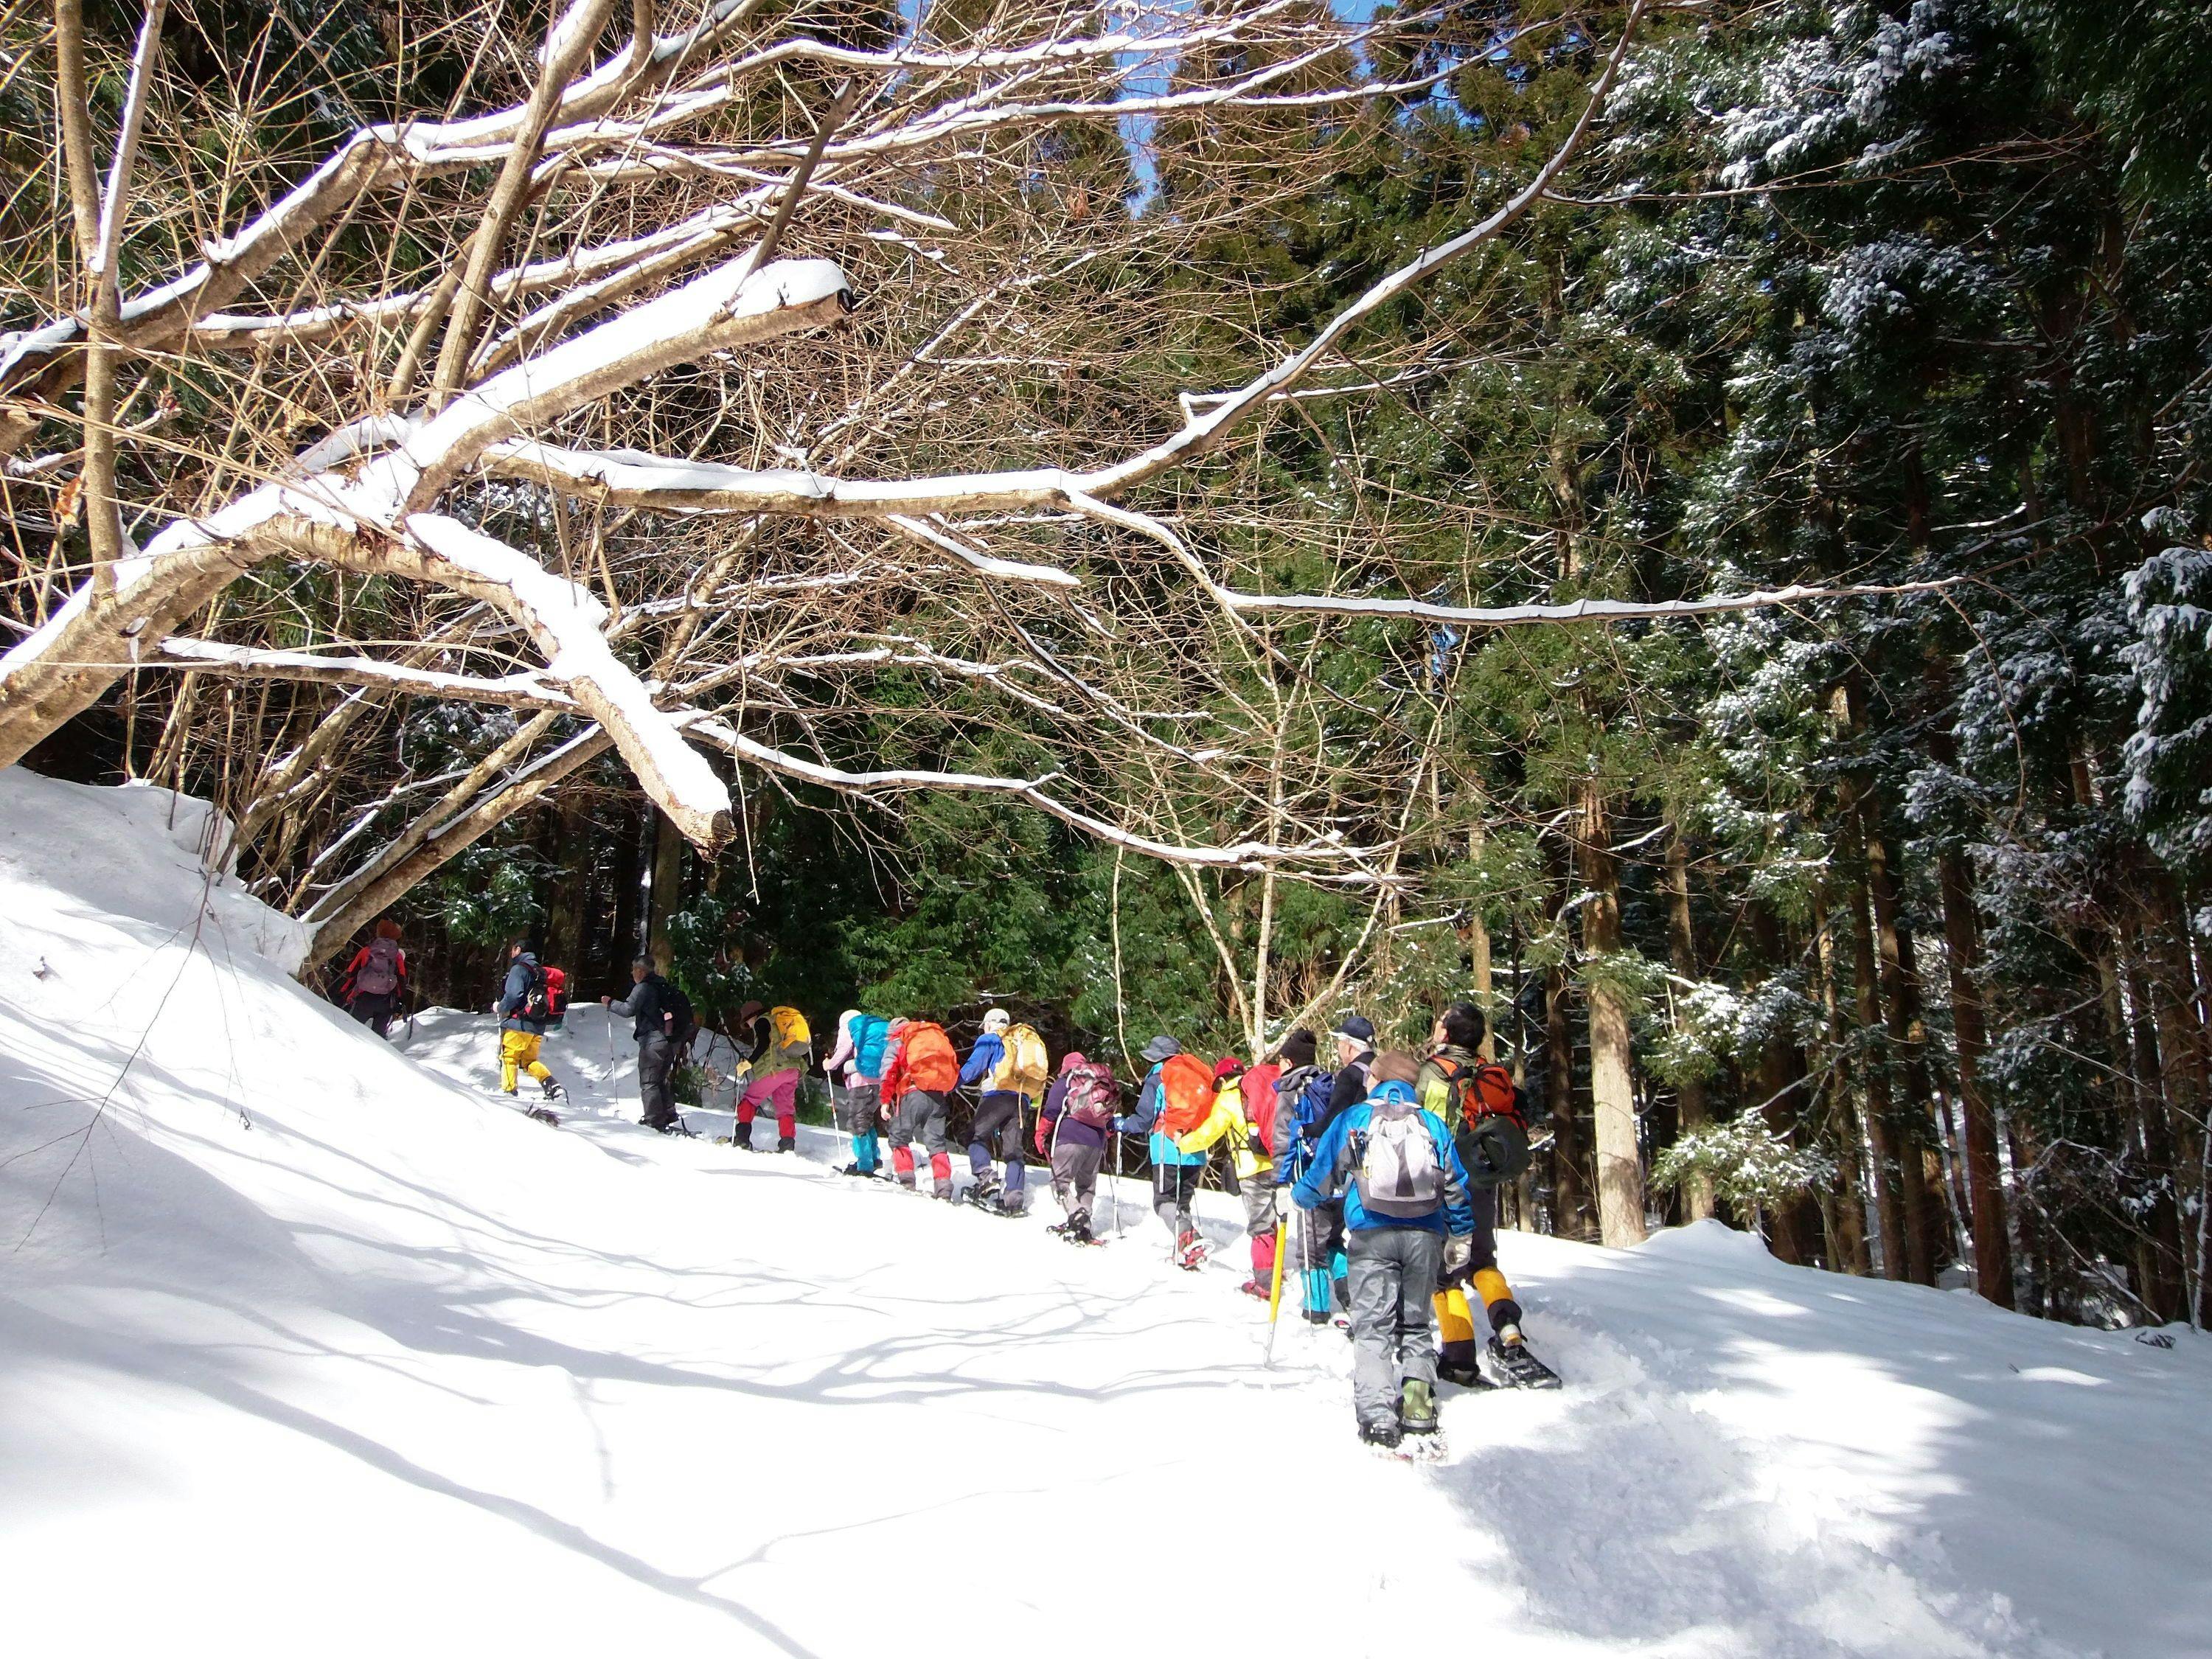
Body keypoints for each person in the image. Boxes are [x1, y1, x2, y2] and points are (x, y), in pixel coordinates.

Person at [1293, 1048, 1474, 1450]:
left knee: (1372, 1327)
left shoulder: (1355, 1118)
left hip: (1371, 1233)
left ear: (1376, 1078)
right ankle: (1417, 1409)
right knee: (1415, 1324)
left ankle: (1377, 1417)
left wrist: (1301, 1196)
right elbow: (1455, 1184)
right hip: (1425, 1236)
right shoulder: (1431, 1123)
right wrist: (1461, 1235)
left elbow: (1324, 1173)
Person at [1418, 1001, 1559, 1390]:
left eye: (1441, 1022)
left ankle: (1460, 1356)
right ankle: (1509, 1331)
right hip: (1483, 1181)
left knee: (1446, 1275)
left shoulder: (1434, 1073)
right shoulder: (1489, 1073)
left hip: (1446, 1184)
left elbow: (1425, 1127)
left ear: (1446, 1033)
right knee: (1483, 1260)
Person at [1172, 1055, 1280, 1298]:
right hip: (1276, 1162)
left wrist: (1184, 1144)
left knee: (1260, 1226)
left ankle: (1265, 1284)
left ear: (1222, 1079)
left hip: (1251, 1170)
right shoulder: (1264, 1089)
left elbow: (1209, 1133)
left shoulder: (1228, 1098)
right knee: (1273, 1220)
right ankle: (1276, 1269)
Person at [1113, 1034, 1214, 1268]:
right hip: (1196, 1148)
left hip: (1167, 1148)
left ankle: (1191, 1239)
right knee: (1182, 1203)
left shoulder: (1160, 1076)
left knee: (1164, 1202)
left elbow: (1144, 1119)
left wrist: (1120, 1125)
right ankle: (1186, 1252)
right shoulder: (1198, 1073)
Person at [959, 1009, 1042, 1214]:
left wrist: (952, 1083)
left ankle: (987, 1178)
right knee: (1013, 1151)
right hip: (1022, 1101)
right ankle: (1014, 1200)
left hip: (998, 1097)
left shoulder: (992, 1039)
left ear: (989, 1024)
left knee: (973, 1136)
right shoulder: (1024, 1043)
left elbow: (973, 1066)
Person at [601, 957, 689, 1133]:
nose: (632, 973)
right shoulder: (662, 985)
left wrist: (610, 1003)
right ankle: (668, 1114)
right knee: (660, 1078)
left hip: (653, 1040)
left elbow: (628, 1010)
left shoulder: (643, 987)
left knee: (649, 1081)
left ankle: (654, 1120)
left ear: (641, 971)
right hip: (670, 1040)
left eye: (634, 970)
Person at [1037, 1051, 1117, 1242]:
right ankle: (1084, 1227)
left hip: (1070, 1137)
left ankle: (1076, 1213)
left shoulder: (1066, 1082)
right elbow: (1108, 1120)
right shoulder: (1097, 1085)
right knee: (1086, 1188)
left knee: (1059, 1182)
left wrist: (1041, 1134)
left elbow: (1052, 1111)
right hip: (1096, 1143)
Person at [880, 1015, 959, 1198]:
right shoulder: (930, 1037)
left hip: (912, 1092)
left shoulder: (899, 1041)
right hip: (937, 1095)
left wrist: (885, 1101)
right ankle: (943, 1186)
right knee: (937, 1142)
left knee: (899, 1136)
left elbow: (889, 1072)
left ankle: (906, 1181)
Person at [732, 1000, 809, 1152]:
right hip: (792, 1069)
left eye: (747, 1023)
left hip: (774, 1070)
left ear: (751, 1017)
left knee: (750, 1100)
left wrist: (749, 1063)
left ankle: (742, 1140)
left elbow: (763, 1044)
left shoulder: (762, 1021)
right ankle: (787, 1145)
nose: (749, 1026)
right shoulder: (778, 1023)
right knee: (785, 1108)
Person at [495, 939, 565, 1103]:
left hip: (518, 1023)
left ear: (518, 950)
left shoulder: (519, 969)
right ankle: (551, 1084)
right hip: (538, 1025)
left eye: (513, 950)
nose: (511, 954)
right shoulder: (539, 971)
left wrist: (500, 1007)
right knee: (529, 1061)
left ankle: (508, 1092)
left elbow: (514, 995)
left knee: (509, 1057)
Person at [824, 1009, 892, 1175]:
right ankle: (874, 1158)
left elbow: (843, 1050)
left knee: (857, 1122)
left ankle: (865, 1165)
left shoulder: (851, 1026)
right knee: (867, 1120)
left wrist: (829, 1065)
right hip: (882, 1080)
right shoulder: (875, 1027)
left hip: (861, 1081)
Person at [338, 918, 407, 1037]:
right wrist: (402, 1002)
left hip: (363, 997)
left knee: (350, 1031)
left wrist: (342, 993)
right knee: (378, 1038)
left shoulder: (366, 951)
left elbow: (351, 973)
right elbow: (401, 980)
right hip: (386, 1001)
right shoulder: (397, 956)